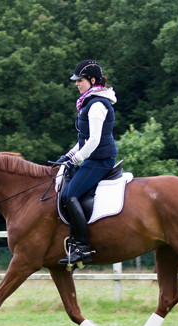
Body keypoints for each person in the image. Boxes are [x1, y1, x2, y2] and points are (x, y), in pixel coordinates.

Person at [56, 59, 118, 266]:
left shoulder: (98, 104)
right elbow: (83, 139)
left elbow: (94, 141)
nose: (76, 83)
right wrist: (67, 156)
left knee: (69, 194)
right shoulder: (89, 102)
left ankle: (82, 248)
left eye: (80, 80)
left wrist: (75, 160)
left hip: (100, 160)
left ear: (92, 80)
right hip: (92, 157)